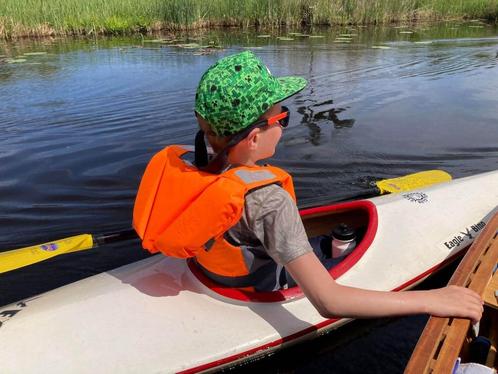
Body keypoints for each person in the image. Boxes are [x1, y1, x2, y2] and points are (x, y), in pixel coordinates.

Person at [135, 51, 483, 324]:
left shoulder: (191, 165)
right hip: (258, 285)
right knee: (338, 250)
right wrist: (431, 299)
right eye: (281, 116)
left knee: (319, 240)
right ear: (254, 138)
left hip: (216, 274)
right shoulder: (268, 200)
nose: (285, 124)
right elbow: (329, 302)